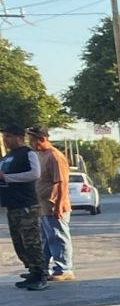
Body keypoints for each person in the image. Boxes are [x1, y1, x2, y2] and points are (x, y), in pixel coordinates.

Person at [1, 124, 49, 290]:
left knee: (32, 242)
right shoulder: (7, 157)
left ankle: (41, 274)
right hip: (12, 205)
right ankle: (32, 271)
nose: (5, 140)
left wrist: (7, 178)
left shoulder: (28, 153)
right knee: (19, 243)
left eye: (8, 136)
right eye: (4, 136)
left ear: (18, 137)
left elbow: (34, 174)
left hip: (26, 205)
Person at [28, 126, 73, 281]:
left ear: (42, 139)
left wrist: (59, 205)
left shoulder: (55, 156)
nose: (31, 144)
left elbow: (62, 183)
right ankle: (43, 268)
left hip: (54, 205)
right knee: (46, 239)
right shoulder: (41, 155)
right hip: (43, 206)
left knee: (58, 237)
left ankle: (64, 269)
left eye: (33, 141)